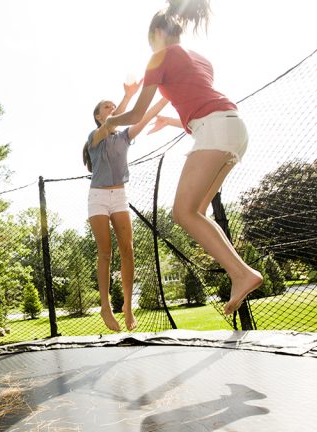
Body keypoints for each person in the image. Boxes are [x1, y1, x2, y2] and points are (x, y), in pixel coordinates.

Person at [104, 0, 263, 315]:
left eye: (152, 39)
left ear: (159, 32)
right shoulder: (201, 59)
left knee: (182, 213)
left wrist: (109, 123)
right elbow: (202, 103)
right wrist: (171, 121)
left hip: (215, 130)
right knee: (197, 211)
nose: (152, 45)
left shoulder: (159, 57)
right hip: (233, 128)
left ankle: (242, 273)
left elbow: (136, 113)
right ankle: (240, 273)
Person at [84, 81, 166, 331]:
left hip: (119, 196)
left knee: (127, 249)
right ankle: (105, 307)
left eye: (113, 106)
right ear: (98, 116)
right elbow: (112, 122)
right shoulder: (94, 137)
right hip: (97, 197)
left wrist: (167, 96)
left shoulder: (125, 137)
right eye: (106, 107)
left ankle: (128, 306)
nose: (111, 109)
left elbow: (146, 114)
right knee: (105, 253)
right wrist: (128, 96)